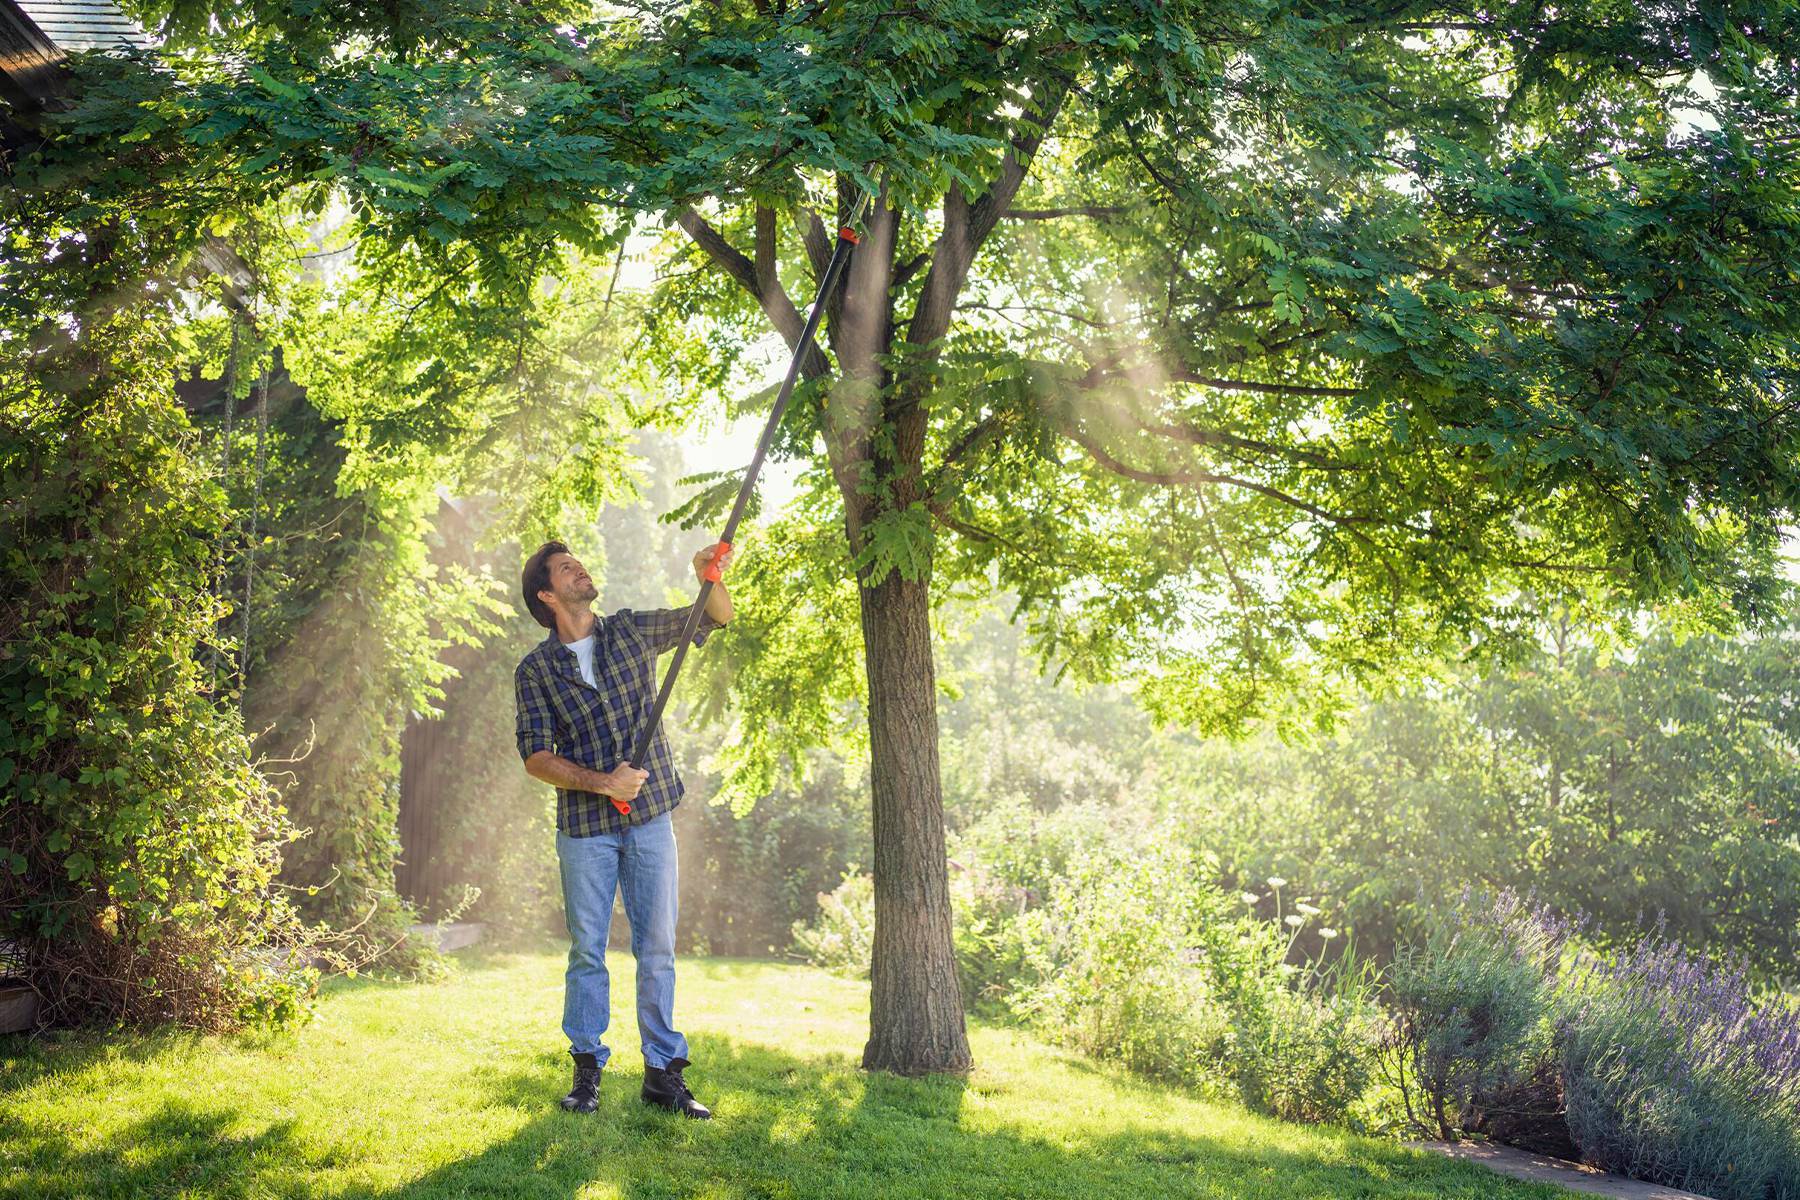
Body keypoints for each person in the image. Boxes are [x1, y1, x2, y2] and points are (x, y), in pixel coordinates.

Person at [513, 539, 733, 1119]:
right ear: (547, 593)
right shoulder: (536, 670)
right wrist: (603, 783)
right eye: (566, 569)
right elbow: (535, 757)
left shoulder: (631, 631)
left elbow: (713, 616)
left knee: (656, 948)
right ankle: (587, 1073)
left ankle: (663, 1073)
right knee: (588, 950)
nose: (580, 569)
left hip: (652, 817)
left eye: (578, 563)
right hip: (585, 828)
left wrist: (705, 574)